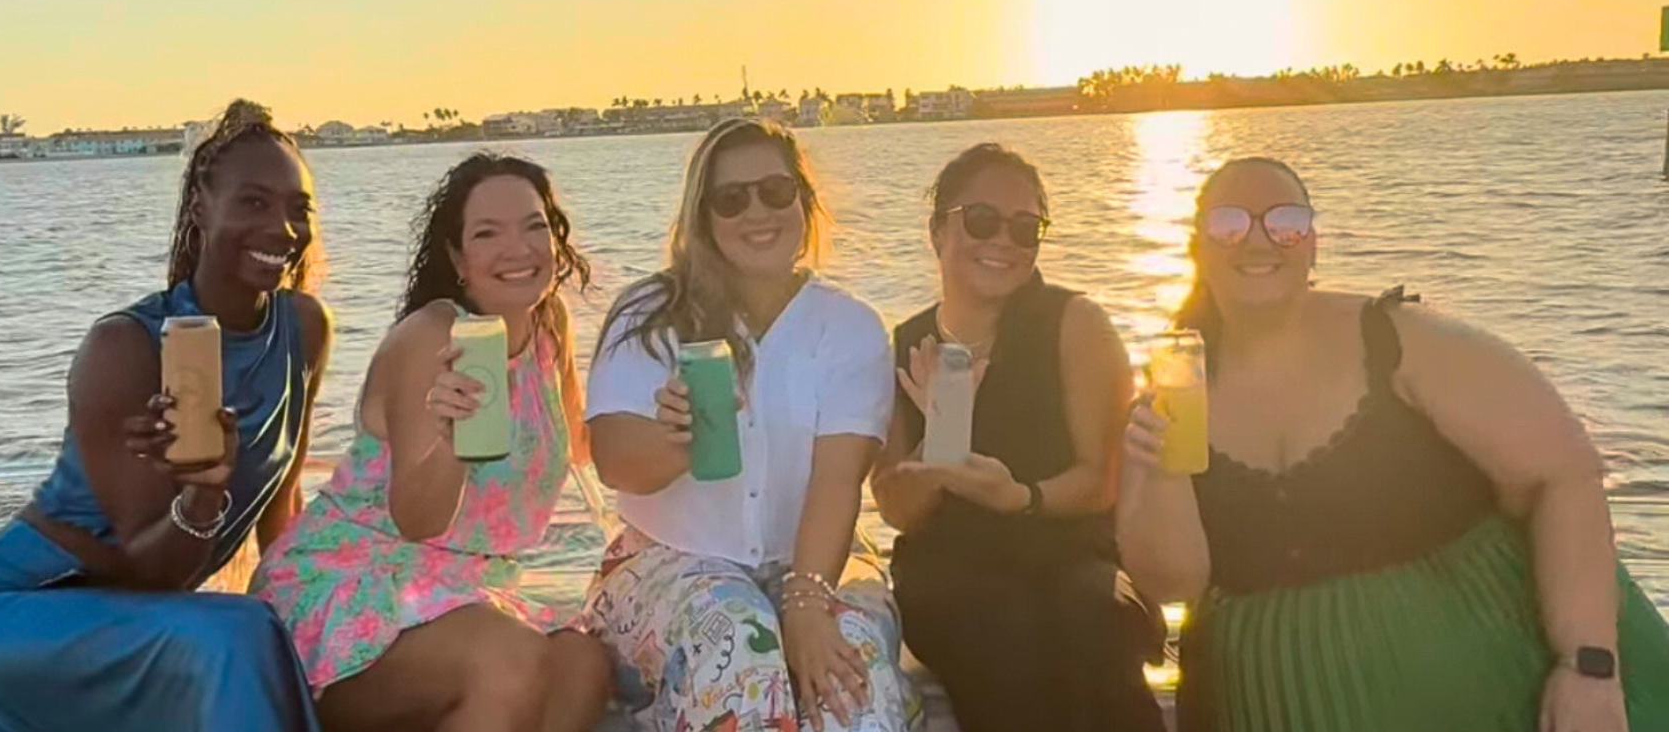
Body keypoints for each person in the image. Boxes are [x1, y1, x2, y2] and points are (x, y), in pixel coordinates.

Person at [1118, 156, 1669, 732]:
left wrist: (1587, 668)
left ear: (1313, 244)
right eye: (1229, 224)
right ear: (1197, 246)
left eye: (1285, 221)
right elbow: (1173, 586)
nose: (1258, 241)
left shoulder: (1400, 342)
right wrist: (1163, 474)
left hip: (1500, 676)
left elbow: (1565, 471)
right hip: (1282, 701)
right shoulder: (1169, 393)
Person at [0, 99, 330, 732]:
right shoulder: (125, 348)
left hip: (123, 622)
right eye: (255, 203)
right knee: (235, 634)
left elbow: (281, 504)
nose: (285, 230)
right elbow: (154, 572)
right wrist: (204, 496)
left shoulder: (303, 328)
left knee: (259, 635)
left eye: (299, 209)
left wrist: (318, 614)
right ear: (202, 208)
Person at [582, 118, 922, 732]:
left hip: (819, 559)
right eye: (730, 198)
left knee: (849, 673)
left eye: (775, 190)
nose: (756, 211)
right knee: (742, 640)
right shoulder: (650, 314)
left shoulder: (850, 329)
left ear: (804, 200)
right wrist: (676, 440)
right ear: (701, 215)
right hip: (666, 559)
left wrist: (807, 598)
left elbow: (838, 481)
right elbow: (613, 460)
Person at [251, 152, 611, 732]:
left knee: (583, 664)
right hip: (352, 587)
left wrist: (664, 414)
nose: (517, 249)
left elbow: (581, 445)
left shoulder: (550, 327)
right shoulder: (431, 339)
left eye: (534, 226)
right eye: (487, 233)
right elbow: (417, 518)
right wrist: (450, 436)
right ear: (457, 258)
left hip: (461, 591)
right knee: (510, 660)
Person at [872, 143, 1165, 732]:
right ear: (937, 232)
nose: (1003, 241)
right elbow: (898, 508)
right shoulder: (904, 346)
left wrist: (1020, 498)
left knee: (1094, 618)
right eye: (981, 221)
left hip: (1072, 551)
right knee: (993, 620)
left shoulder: (1076, 324)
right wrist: (945, 426)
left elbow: (1102, 481)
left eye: (1025, 228)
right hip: (949, 567)